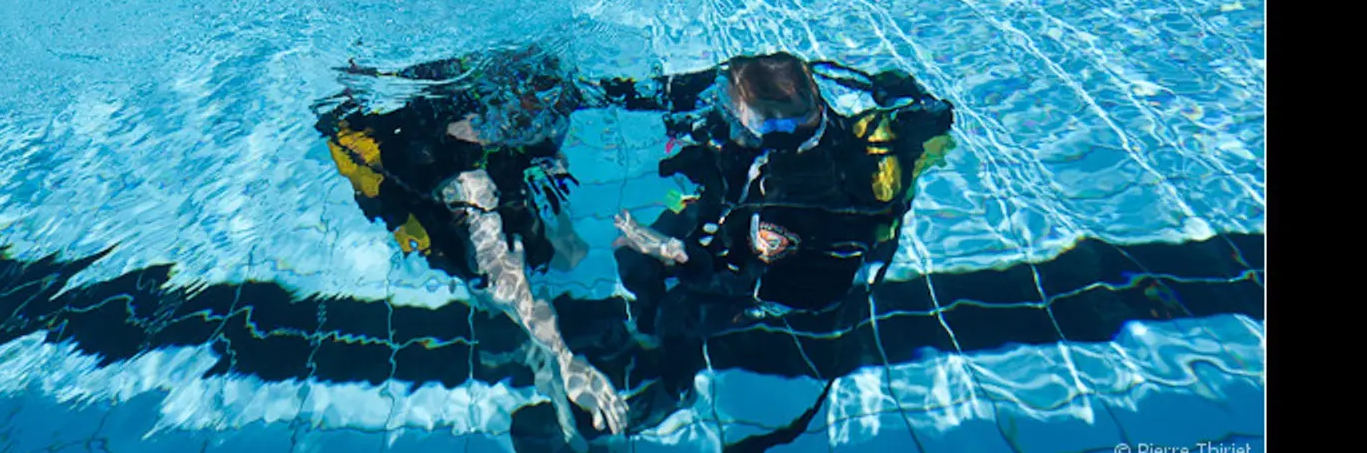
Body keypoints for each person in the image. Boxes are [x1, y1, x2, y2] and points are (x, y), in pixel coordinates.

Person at [602, 53, 954, 420]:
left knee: (677, 313)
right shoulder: (828, 131)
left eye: (737, 113)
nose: (725, 112)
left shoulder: (787, 203)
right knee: (632, 258)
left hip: (787, 283)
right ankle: (646, 321)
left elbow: (733, 278)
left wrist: (672, 251)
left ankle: (676, 390)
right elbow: (936, 114)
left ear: (764, 128)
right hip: (744, 221)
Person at [313, 46, 627, 442]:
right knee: (541, 264)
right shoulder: (470, 180)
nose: (550, 109)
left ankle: (537, 372)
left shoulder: (498, 141)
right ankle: (535, 367)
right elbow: (505, 273)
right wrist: (565, 361)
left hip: (428, 182)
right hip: (403, 169)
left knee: (559, 257)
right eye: (536, 100)